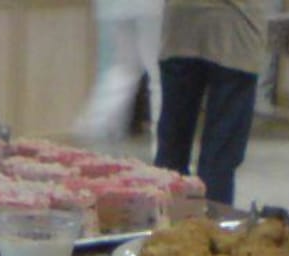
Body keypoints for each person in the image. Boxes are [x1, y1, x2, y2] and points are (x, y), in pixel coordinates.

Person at [153, 0, 270, 207]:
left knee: (172, 145)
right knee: (220, 153)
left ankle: (165, 219)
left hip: (180, 22)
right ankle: (210, 221)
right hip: (235, 28)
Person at [73, 0, 165, 143]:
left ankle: (96, 123)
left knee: (125, 67)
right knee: (157, 72)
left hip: (114, 7)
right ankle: (162, 134)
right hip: (150, 8)